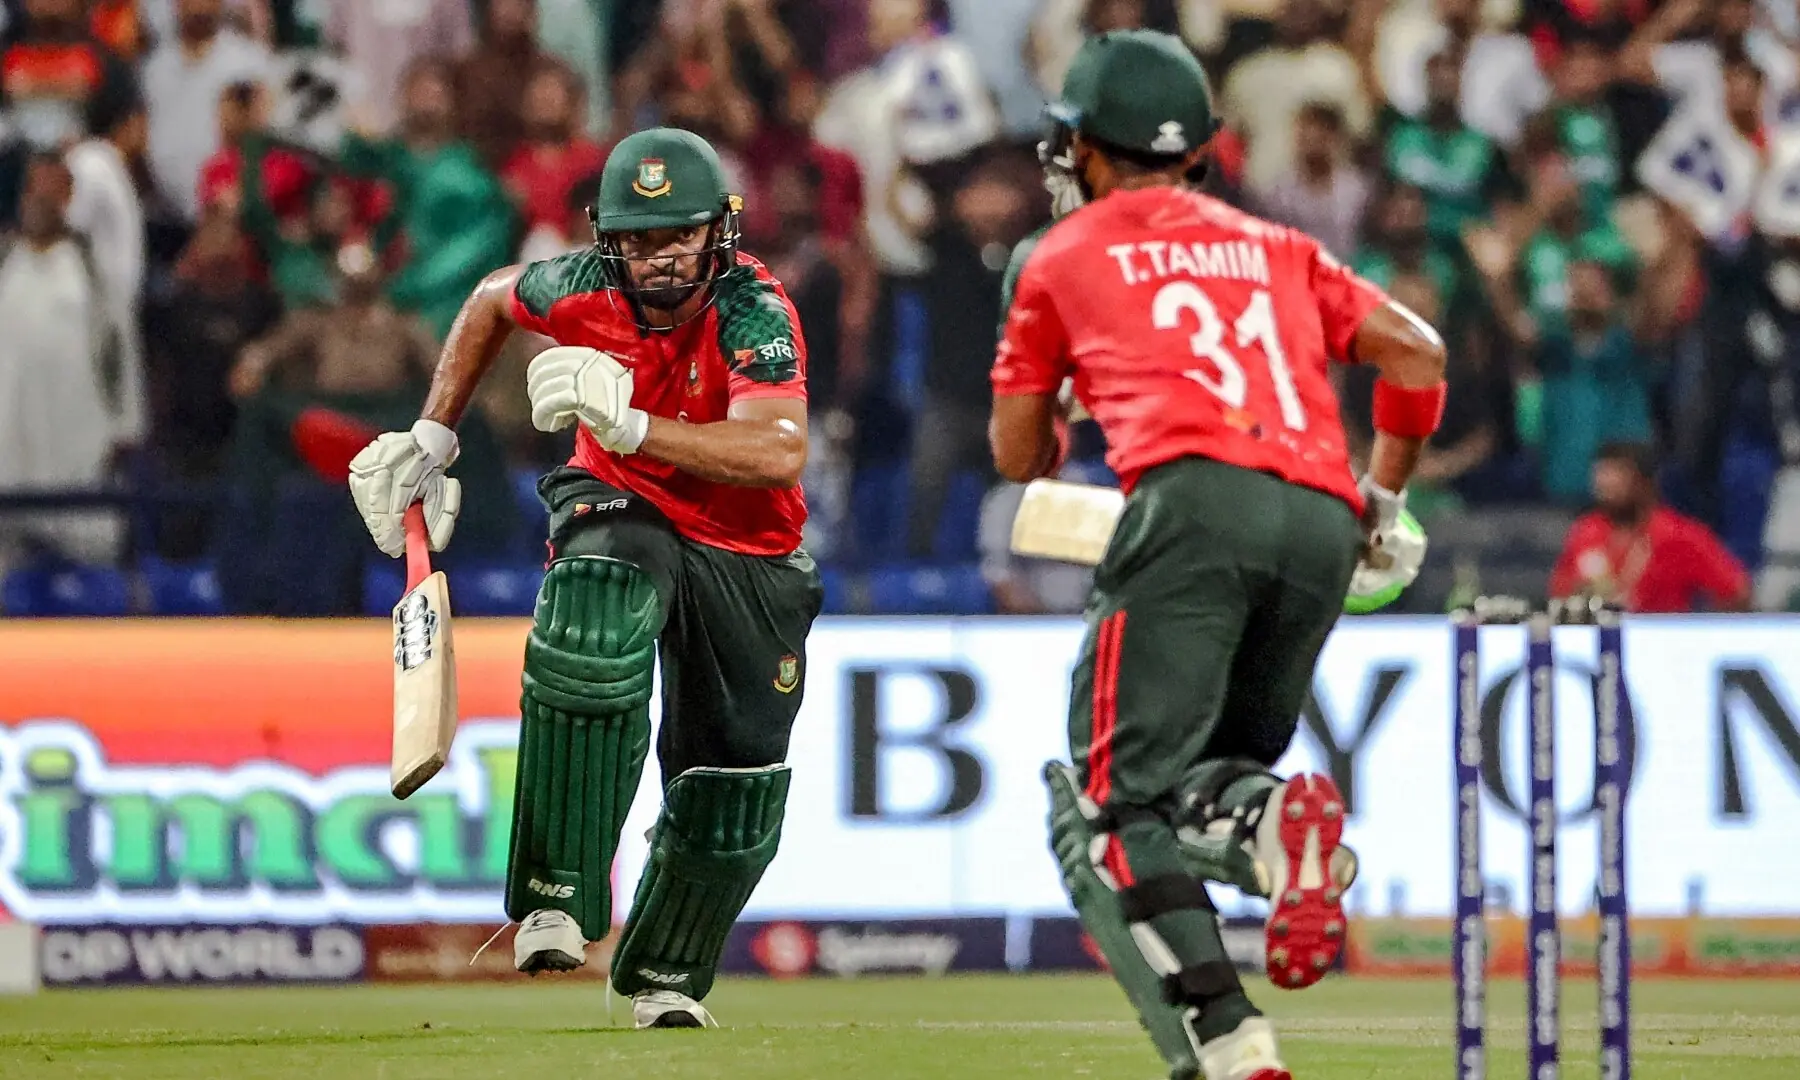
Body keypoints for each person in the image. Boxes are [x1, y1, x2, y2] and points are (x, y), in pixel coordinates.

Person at [989, 31, 1447, 1080]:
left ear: (1088, 150)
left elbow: (1021, 457)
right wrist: (1382, 499)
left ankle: (1229, 1041)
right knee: (1202, 780)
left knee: (1109, 813)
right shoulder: (1275, 245)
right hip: (1324, 524)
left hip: (1193, 505)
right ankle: (1277, 821)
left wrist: (1060, 393)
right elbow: (1416, 352)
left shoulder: (1058, 257)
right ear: (1196, 150)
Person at [348, 128, 818, 1029]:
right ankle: (555, 892)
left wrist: (634, 423)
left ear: (718, 233)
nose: (658, 260)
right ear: (609, 239)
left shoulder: (755, 307)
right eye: (639, 241)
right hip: (621, 503)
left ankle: (662, 976)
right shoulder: (582, 284)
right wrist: (432, 436)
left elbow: (777, 451)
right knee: (592, 622)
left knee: (734, 788)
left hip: (747, 550)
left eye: (677, 236)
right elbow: (490, 301)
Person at [1549, 441, 1749, 612]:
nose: (1605, 488)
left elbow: (1736, 591)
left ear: (1644, 483)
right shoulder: (1587, 531)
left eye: (1616, 478)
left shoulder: (1677, 534)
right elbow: (1559, 592)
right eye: (1601, 479)